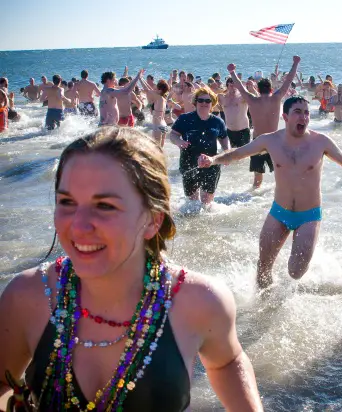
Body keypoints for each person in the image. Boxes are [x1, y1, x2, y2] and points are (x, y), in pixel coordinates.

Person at [0, 127, 263, 412]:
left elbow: (227, 362)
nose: (78, 225)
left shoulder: (199, 302)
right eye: (67, 202)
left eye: (105, 205)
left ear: (153, 220)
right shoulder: (27, 297)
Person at [198, 96, 342, 289]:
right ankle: (264, 312)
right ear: (285, 117)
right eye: (297, 112)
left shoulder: (320, 142)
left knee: (295, 273)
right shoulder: (270, 140)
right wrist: (213, 160)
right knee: (262, 270)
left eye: (306, 113)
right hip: (279, 212)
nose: (303, 117)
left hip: (309, 216)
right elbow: (237, 153)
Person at [227, 56, 301, 189]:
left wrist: (232, 72)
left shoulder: (252, 100)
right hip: (275, 140)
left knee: (257, 178)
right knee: (281, 174)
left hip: (258, 141)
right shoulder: (277, 98)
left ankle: (255, 197)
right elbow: (288, 80)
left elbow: (241, 88)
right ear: (271, 89)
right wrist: (295, 64)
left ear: (258, 89)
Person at [169, 87, 229, 208]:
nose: (204, 103)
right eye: (200, 100)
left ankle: (208, 227)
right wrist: (178, 142)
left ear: (212, 103)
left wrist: (227, 153)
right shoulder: (185, 119)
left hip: (211, 164)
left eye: (207, 101)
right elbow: (173, 135)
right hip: (188, 163)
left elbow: (224, 138)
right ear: (195, 102)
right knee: (192, 205)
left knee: (207, 205)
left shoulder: (218, 122)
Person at [139, 78, 177, 147]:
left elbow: (147, 90)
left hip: (158, 126)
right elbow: (149, 89)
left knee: (156, 149)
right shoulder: (163, 98)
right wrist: (141, 78)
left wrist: (139, 78)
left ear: (159, 90)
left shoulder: (158, 97)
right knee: (161, 149)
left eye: (156, 88)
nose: (154, 89)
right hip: (164, 126)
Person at [219, 77, 251, 148]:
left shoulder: (242, 97)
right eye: (231, 83)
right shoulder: (222, 97)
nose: (233, 86)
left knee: (244, 155)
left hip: (243, 131)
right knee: (233, 156)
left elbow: (255, 98)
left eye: (235, 84)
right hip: (229, 131)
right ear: (227, 85)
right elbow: (213, 105)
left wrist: (249, 87)